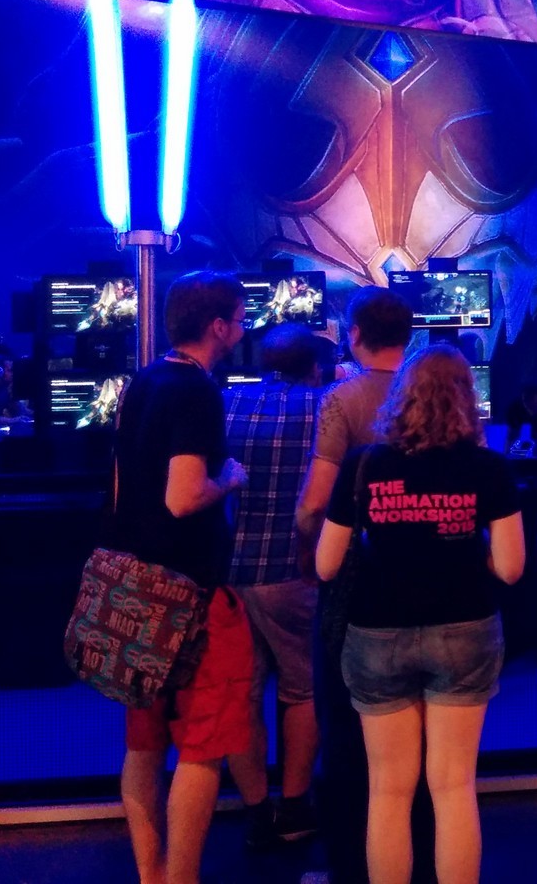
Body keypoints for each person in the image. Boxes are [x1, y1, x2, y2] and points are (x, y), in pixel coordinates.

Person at [316, 345, 524, 884]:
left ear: (402, 396)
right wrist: (466, 545)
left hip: (377, 631)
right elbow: (510, 568)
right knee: (453, 786)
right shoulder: (488, 468)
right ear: (466, 397)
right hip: (465, 628)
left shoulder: (367, 464)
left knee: (388, 790)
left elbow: (325, 564)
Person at [110, 272, 253, 884]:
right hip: (188, 596)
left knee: (142, 745)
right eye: (240, 318)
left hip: (133, 588)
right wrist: (230, 480)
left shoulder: (144, 381)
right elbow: (183, 497)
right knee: (202, 746)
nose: (244, 328)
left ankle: (152, 874)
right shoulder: (197, 391)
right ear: (217, 326)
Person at [296, 286, 419, 884]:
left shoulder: (341, 399)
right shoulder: (432, 395)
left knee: (345, 727)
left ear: (354, 335)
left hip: (354, 584)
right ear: (408, 337)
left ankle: (350, 862)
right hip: (428, 581)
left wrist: (309, 538)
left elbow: (314, 504)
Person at [222, 323, 324, 851]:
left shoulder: (227, 403)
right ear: (314, 367)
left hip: (231, 572)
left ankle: (257, 810)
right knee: (302, 688)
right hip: (292, 569)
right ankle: (296, 805)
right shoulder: (323, 407)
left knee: (242, 692)